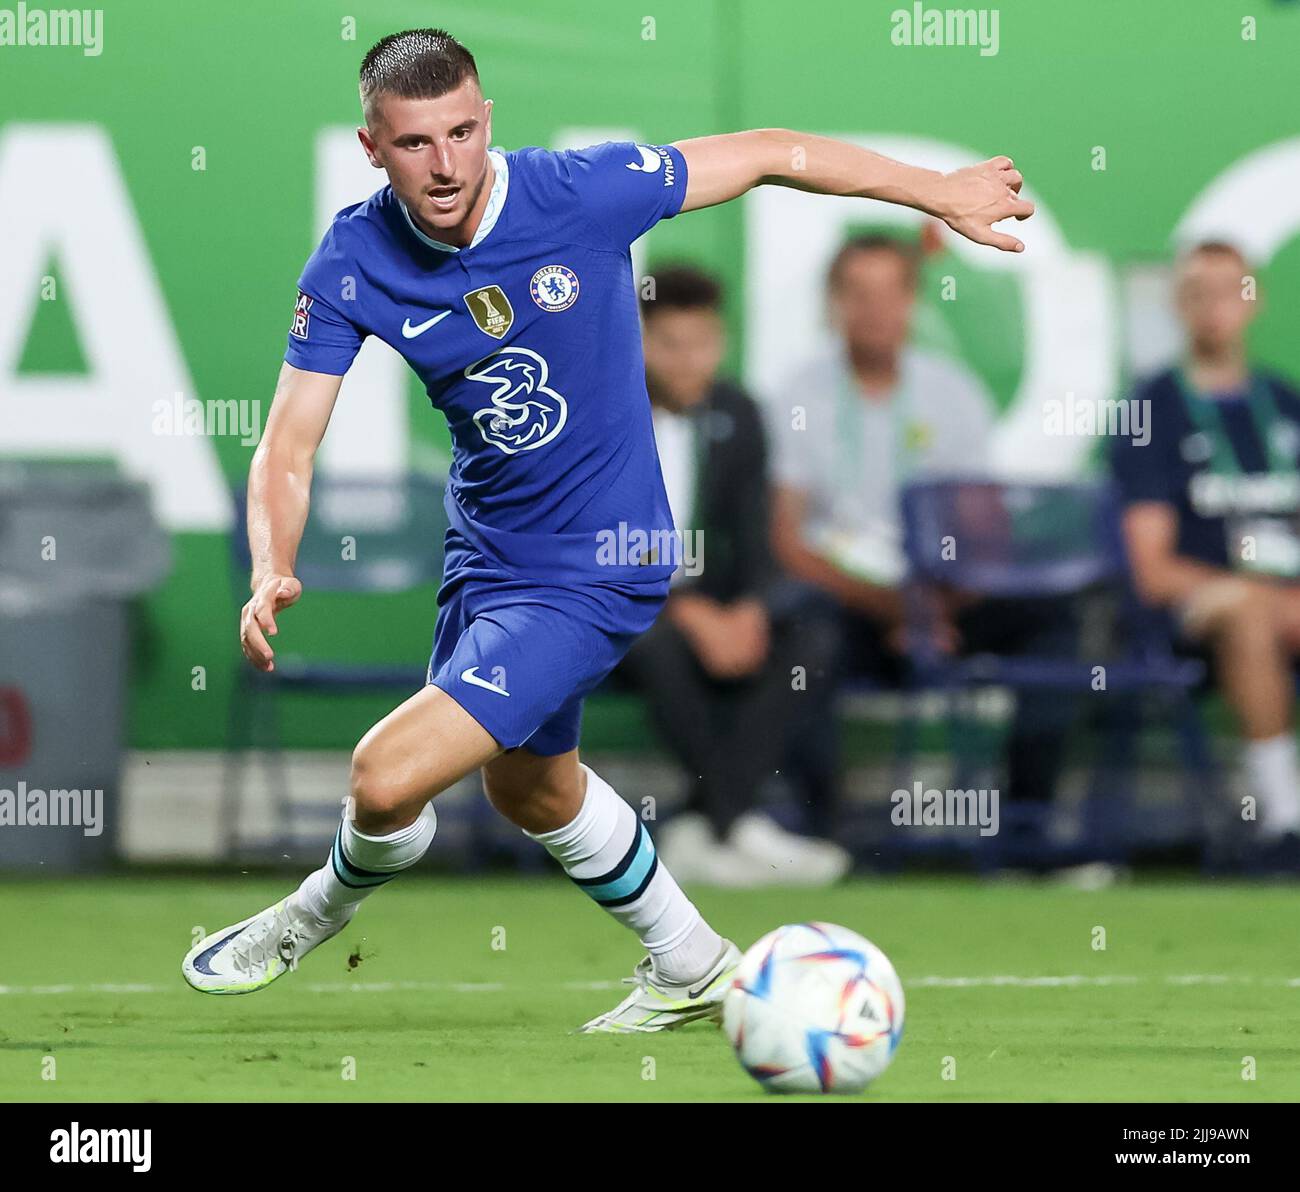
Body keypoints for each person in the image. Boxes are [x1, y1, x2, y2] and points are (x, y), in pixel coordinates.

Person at [180, 27, 1033, 1032]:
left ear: (486, 118)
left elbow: (768, 151)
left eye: (462, 131)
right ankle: (690, 960)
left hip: (603, 566)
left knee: (382, 776)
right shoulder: (353, 258)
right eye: (415, 144)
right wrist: (271, 563)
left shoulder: (579, 192)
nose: (446, 163)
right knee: (533, 791)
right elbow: (287, 442)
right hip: (488, 561)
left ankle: (315, 909)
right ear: (373, 146)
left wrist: (936, 190)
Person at [769, 234, 1076, 841]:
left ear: (913, 302)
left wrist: (935, 606)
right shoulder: (800, 394)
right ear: (833, 304)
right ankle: (823, 837)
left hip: (944, 602)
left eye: (890, 293)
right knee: (803, 631)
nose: (875, 310)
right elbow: (789, 543)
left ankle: (1027, 828)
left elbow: (987, 535)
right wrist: (894, 608)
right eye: (857, 294)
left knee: (1053, 618)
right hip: (853, 605)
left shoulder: (952, 392)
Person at [619, 264, 850, 887]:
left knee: (811, 637)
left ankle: (707, 826)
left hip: (721, 607)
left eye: (702, 344)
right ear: (634, 337)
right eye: (668, 343)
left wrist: (749, 608)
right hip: (621, 612)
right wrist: (688, 611)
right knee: (658, 646)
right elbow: (595, 541)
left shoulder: (738, 410)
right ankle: (735, 820)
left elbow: (755, 533)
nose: (688, 361)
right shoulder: (602, 413)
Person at [1110, 240, 1300, 857]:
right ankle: (1283, 818)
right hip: (1198, 605)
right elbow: (1152, 571)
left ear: (1255, 300)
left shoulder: (1286, 404)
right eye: (1199, 293)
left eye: (1231, 291)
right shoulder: (1150, 410)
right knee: (1249, 609)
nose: (1216, 307)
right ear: (1178, 305)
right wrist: (1267, 597)